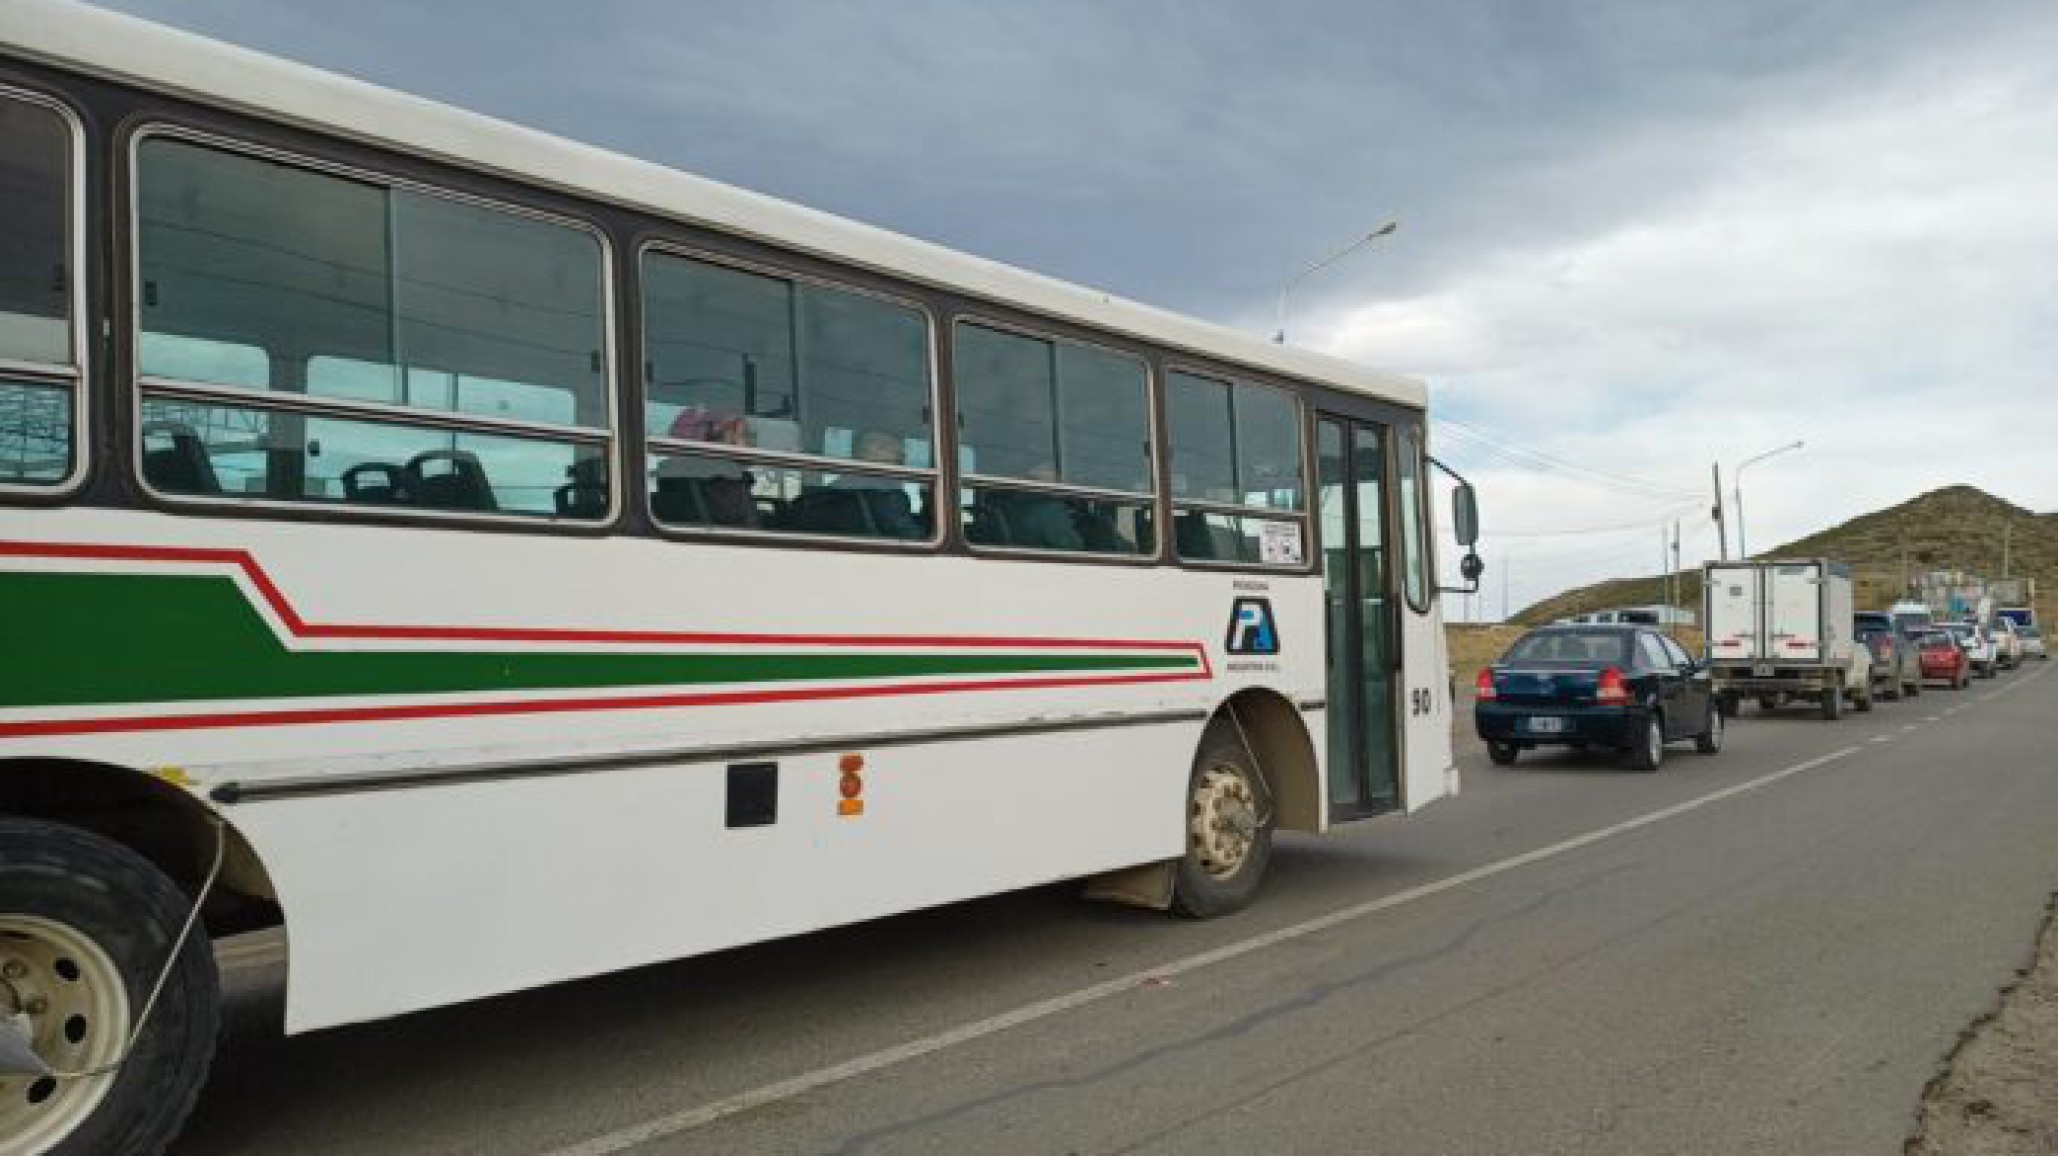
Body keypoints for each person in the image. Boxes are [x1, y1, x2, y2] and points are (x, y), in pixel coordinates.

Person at [825, 430, 923, 539]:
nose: (904, 465)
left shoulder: (833, 490)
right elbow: (910, 537)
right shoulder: (884, 495)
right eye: (899, 459)